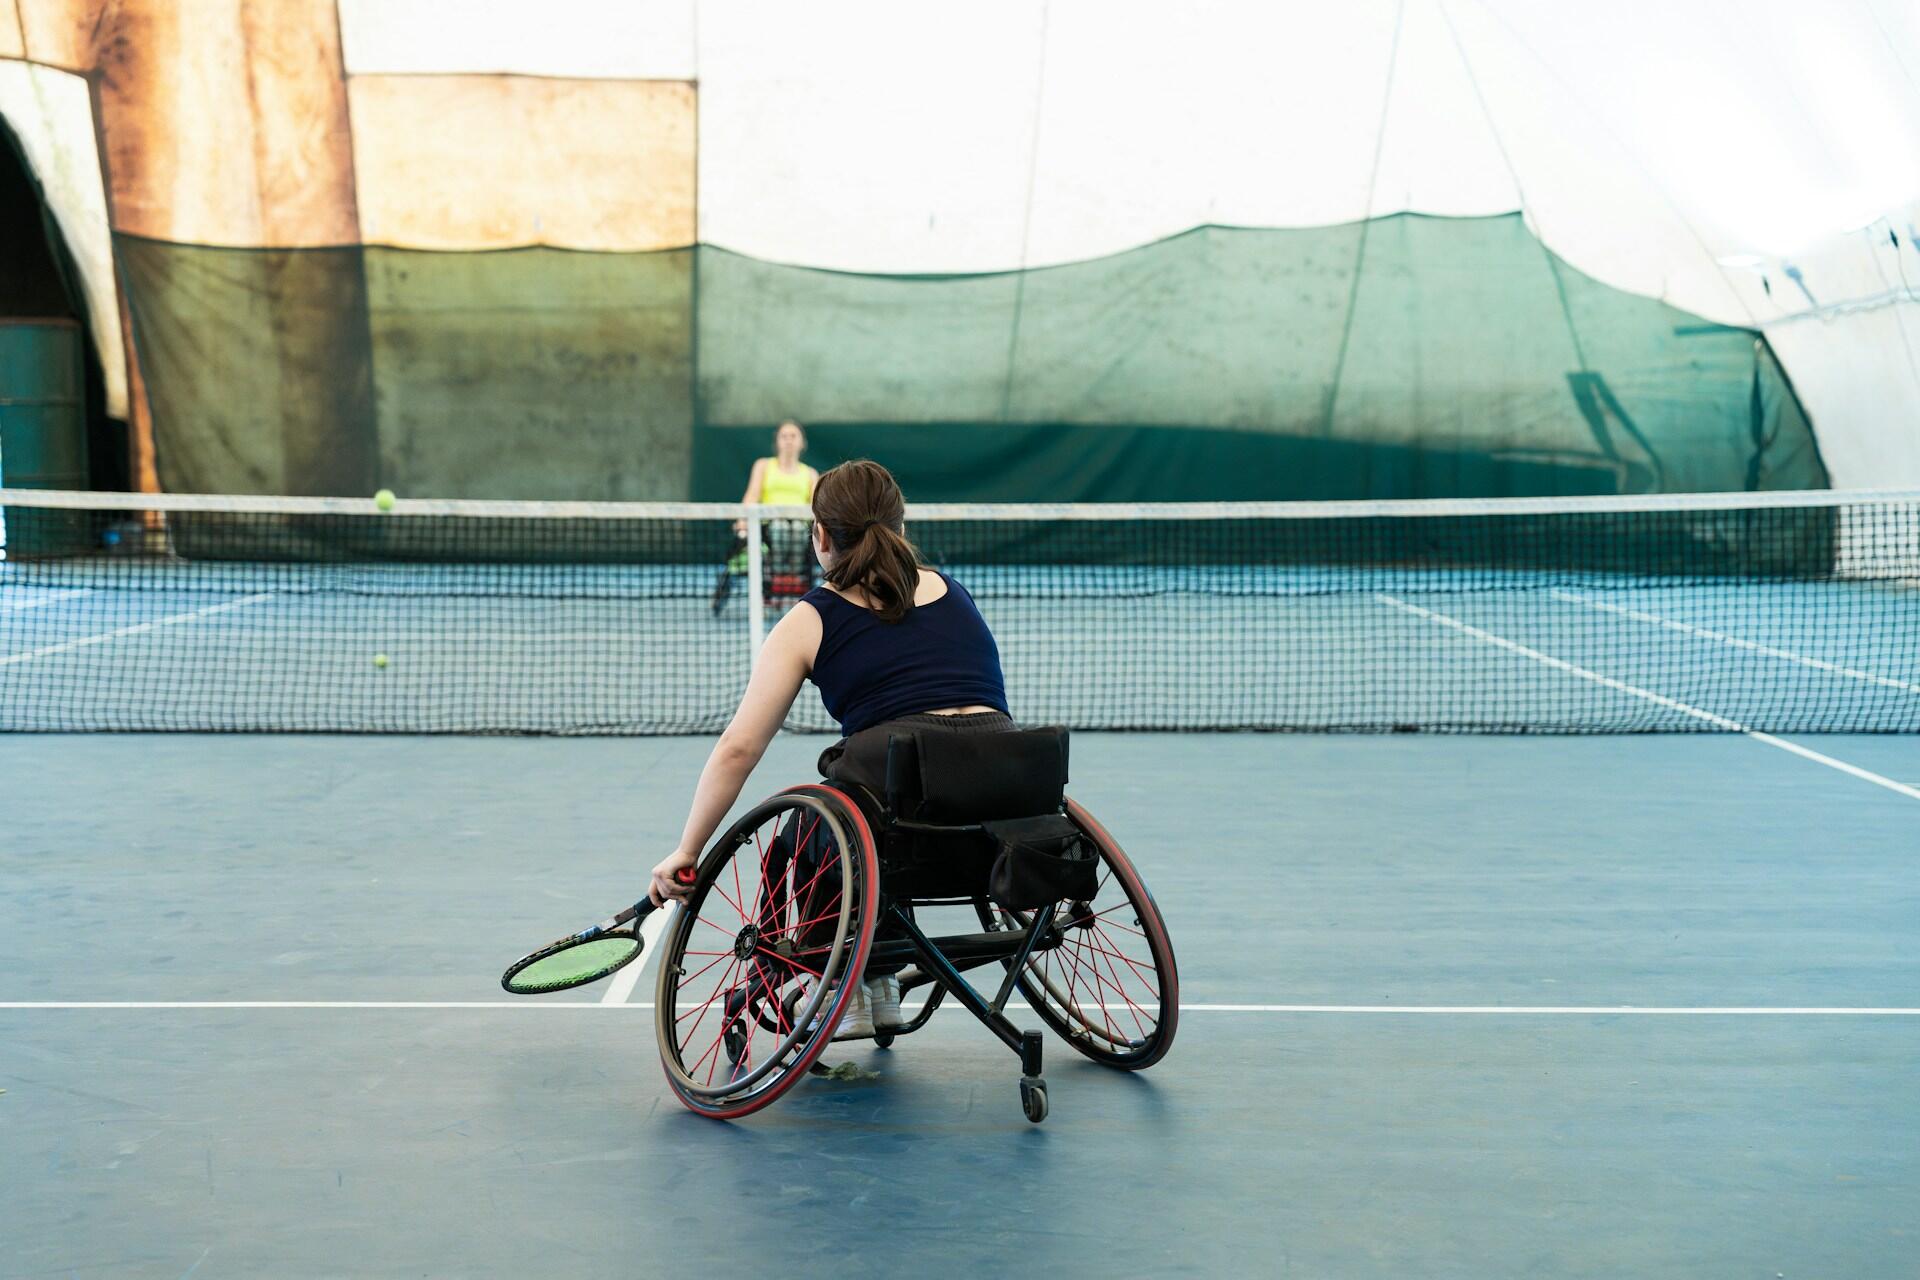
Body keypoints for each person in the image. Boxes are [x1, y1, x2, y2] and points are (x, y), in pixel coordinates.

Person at [652, 459, 1012, 1036]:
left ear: (820, 535)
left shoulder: (809, 620)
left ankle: (854, 985)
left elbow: (740, 748)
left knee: (819, 822)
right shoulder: (953, 591)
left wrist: (687, 850)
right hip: (1001, 817)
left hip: (900, 827)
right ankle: (881, 980)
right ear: (900, 524)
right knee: (879, 793)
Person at [712, 420, 819, 612]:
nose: (788, 441)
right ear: (777, 441)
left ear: (802, 443)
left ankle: (789, 577)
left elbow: (815, 506)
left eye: (793, 436)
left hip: (801, 529)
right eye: (784, 436)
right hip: (768, 527)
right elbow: (752, 495)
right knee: (779, 528)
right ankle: (776, 576)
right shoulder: (763, 466)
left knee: (794, 528)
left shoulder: (810, 474)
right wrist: (743, 521)